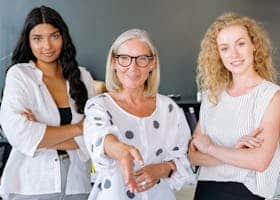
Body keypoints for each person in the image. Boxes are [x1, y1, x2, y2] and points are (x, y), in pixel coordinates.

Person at [84, 29, 195, 200]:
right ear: (114, 62)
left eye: (142, 59)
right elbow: (99, 137)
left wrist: (160, 169)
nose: (132, 67)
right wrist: (121, 151)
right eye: (124, 59)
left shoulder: (169, 109)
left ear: (152, 64)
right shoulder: (98, 105)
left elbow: (185, 160)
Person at [0, 6, 95, 200]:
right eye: (37, 38)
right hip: (31, 183)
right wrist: (78, 129)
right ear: (28, 41)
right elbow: (20, 134)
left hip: (77, 183)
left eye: (54, 36)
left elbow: (95, 136)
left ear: (64, 37)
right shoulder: (19, 75)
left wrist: (41, 134)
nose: (47, 46)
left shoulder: (83, 77)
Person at [188, 12, 280, 200]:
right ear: (218, 55)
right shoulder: (212, 95)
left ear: (254, 45)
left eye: (241, 44)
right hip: (206, 190)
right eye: (225, 48)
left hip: (247, 193)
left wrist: (211, 149)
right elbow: (193, 156)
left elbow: (260, 161)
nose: (234, 54)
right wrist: (237, 153)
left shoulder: (271, 96)